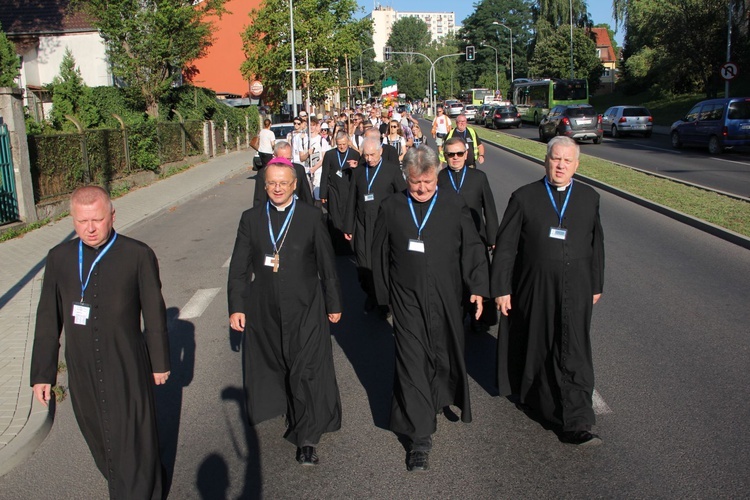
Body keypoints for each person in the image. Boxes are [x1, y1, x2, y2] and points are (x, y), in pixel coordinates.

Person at [31, 185, 170, 498]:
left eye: (97, 219)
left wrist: (159, 362)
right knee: (100, 437)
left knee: (132, 438)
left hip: (126, 364)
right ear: (73, 221)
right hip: (82, 369)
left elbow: (154, 312)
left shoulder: (137, 254)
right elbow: (47, 319)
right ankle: (131, 481)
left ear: (112, 216)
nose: (90, 228)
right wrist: (43, 374)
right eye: (82, 222)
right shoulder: (59, 258)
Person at [372, 146, 489, 472]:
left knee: (443, 353)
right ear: (405, 179)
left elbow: (472, 247)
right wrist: (385, 297)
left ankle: (438, 397)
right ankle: (419, 437)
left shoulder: (452, 203)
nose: (421, 189)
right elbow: (380, 252)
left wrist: (478, 288)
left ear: (436, 175)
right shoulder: (392, 206)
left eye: (427, 182)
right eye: (414, 183)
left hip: (447, 297)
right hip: (407, 300)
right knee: (411, 362)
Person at [228, 157, 343, 466]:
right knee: (278, 362)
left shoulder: (310, 217)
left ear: (295, 185)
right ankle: (283, 406)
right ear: (264, 186)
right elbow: (239, 269)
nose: (277, 188)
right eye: (271, 183)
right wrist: (237, 307)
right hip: (264, 308)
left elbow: (327, 265)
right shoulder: (251, 219)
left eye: (283, 183)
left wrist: (334, 303)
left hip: (306, 306)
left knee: (305, 368)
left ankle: (306, 437)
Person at [491, 136, 605, 446]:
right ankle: (536, 396)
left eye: (567, 161)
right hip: (535, 288)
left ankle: (576, 420)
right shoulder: (524, 197)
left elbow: (597, 245)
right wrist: (501, 288)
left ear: (576, 165)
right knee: (539, 345)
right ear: (546, 160)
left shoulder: (588, 197)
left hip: (578, 287)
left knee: (574, 349)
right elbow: (506, 248)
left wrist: (596, 283)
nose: (561, 165)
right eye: (556, 159)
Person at [437, 137, 499, 332]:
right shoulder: (440, 178)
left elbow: (489, 208)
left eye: (459, 154)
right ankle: (458, 314)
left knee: (478, 278)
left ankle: (478, 317)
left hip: (476, 238)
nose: (455, 158)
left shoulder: (478, 177)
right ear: (445, 155)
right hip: (450, 239)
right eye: (450, 154)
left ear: (466, 154)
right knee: (456, 280)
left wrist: (493, 238)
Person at [344, 138, 406, 315]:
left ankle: (383, 301)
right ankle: (371, 294)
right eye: (366, 155)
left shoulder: (392, 171)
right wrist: (348, 227)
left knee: (381, 264)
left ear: (380, 152)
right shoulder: (359, 172)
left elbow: (402, 198)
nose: (369, 159)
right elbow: (351, 201)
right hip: (362, 225)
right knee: (363, 264)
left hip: (383, 226)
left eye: (372, 155)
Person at [320, 130, 360, 252]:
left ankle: (349, 245)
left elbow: (360, 173)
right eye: (339, 144)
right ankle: (336, 246)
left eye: (343, 144)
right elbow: (325, 174)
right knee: (335, 218)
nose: (342, 147)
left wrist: (356, 167)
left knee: (348, 216)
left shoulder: (354, 154)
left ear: (348, 142)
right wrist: (323, 193)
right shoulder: (330, 154)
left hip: (349, 191)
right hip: (334, 191)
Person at [253, 141, 313, 206]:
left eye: (288, 159)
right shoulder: (263, 173)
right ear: (274, 156)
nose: (285, 162)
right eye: (282, 159)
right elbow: (259, 200)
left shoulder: (299, 170)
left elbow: (306, 195)